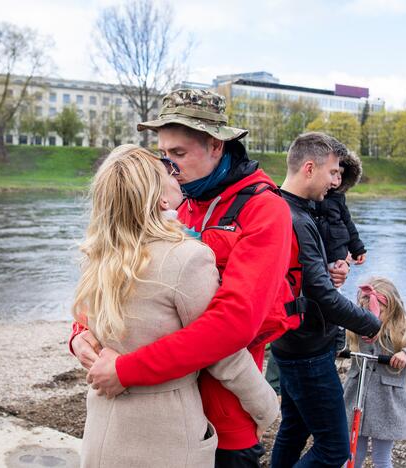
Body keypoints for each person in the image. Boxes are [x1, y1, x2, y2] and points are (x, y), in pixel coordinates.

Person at [70, 89, 321, 467]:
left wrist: (126, 369)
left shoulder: (266, 211)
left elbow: (232, 323)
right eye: (164, 154)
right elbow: (118, 272)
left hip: (223, 410)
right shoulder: (177, 199)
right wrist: (80, 334)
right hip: (159, 410)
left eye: (179, 154)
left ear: (216, 146)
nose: (169, 166)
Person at [75, 145, 279, 467]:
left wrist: (77, 339)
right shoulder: (186, 258)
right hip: (163, 435)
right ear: (161, 200)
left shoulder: (99, 256)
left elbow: (86, 323)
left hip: (102, 430)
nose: (176, 173)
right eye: (167, 171)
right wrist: (266, 406)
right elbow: (221, 351)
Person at [270, 132, 381, 468]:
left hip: (289, 342)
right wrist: (369, 323)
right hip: (306, 348)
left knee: (293, 427)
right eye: (333, 172)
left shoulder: (285, 207)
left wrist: (338, 265)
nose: (336, 182)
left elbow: (309, 277)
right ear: (309, 168)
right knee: (334, 450)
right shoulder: (298, 218)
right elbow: (321, 294)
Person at [344, 277, 406, 468]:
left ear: (391, 308)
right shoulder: (355, 326)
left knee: (382, 457)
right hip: (355, 398)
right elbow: (337, 342)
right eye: (367, 312)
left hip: (387, 404)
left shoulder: (405, 328)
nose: (372, 318)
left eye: (378, 312)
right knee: (353, 453)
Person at [314, 149, 367, 267]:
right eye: (333, 173)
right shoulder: (312, 195)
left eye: (341, 174)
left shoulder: (339, 198)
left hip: (337, 255)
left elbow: (348, 223)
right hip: (318, 255)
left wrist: (358, 249)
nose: (337, 179)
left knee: (334, 282)